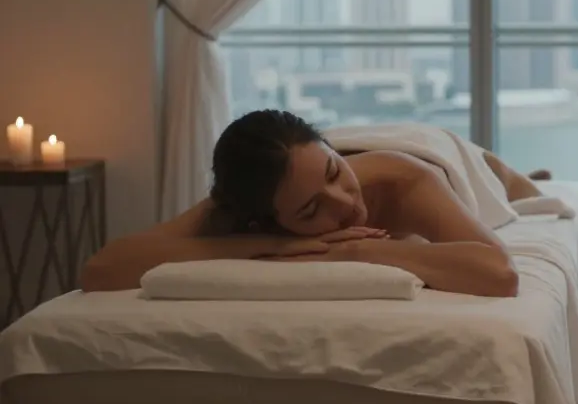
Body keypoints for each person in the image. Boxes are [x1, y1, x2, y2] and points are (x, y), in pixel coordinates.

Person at [82, 110, 554, 297]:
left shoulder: (402, 180)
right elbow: (102, 270)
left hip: (428, 151)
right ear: (262, 218)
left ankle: (523, 175)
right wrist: (267, 247)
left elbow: (499, 274)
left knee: (506, 180)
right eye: (310, 212)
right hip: (311, 162)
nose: (345, 206)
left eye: (334, 176)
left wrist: (356, 250)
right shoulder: (237, 206)